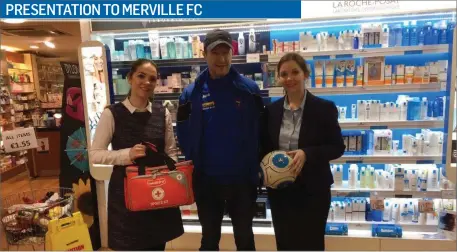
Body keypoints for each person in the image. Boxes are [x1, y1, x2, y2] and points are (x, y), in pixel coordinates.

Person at [176, 29, 264, 251]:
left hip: (242, 181)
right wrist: (194, 163)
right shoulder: (191, 93)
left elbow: (260, 130)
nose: (222, 59)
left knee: (244, 238)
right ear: (205, 53)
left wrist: (256, 169)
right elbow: (184, 133)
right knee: (209, 239)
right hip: (207, 181)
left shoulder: (249, 90)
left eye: (227, 52)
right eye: (216, 52)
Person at [90, 58, 184, 251]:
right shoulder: (112, 113)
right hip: (126, 197)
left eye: (152, 78)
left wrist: (170, 178)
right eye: (141, 76)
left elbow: (171, 151)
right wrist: (127, 155)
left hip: (158, 193)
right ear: (130, 78)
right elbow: (95, 155)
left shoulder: (162, 112)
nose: (147, 82)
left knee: (157, 245)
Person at [260, 52, 345, 251]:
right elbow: (264, 148)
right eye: (284, 74)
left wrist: (307, 153)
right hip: (280, 190)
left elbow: (337, 146)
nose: (289, 78)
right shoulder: (271, 112)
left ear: (305, 74)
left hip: (313, 190)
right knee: (284, 242)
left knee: (311, 243)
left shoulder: (324, 108)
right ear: (279, 78)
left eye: (295, 72)